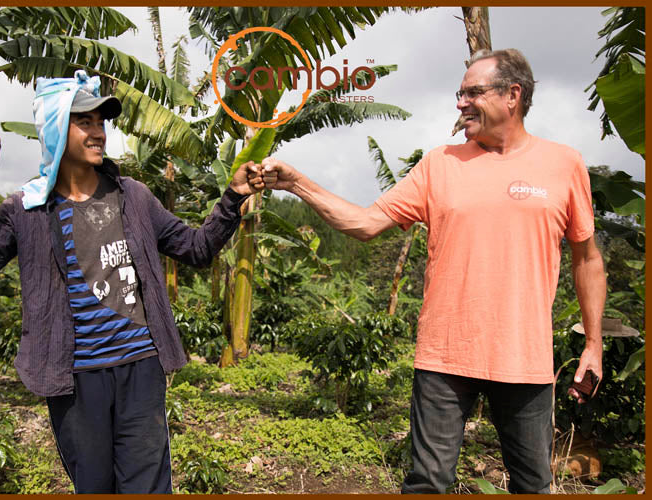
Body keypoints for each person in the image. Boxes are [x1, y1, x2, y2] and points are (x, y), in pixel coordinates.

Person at [257, 49, 606, 494]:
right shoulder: (439, 163)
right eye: (459, 93)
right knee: (426, 484)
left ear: (513, 95)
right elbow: (365, 224)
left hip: (525, 360)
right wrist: (296, 183)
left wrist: (592, 345)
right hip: (445, 358)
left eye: (472, 92)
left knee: (533, 485)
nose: (460, 103)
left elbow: (588, 258)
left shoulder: (564, 164)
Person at [0, 70, 265, 493]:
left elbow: (195, 248)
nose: (99, 132)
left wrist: (232, 198)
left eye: (101, 122)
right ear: (57, 128)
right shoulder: (27, 210)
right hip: (75, 379)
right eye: (86, 122)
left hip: (141, 368)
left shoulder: (132, 196)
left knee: (148, 487)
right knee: (94, 486)